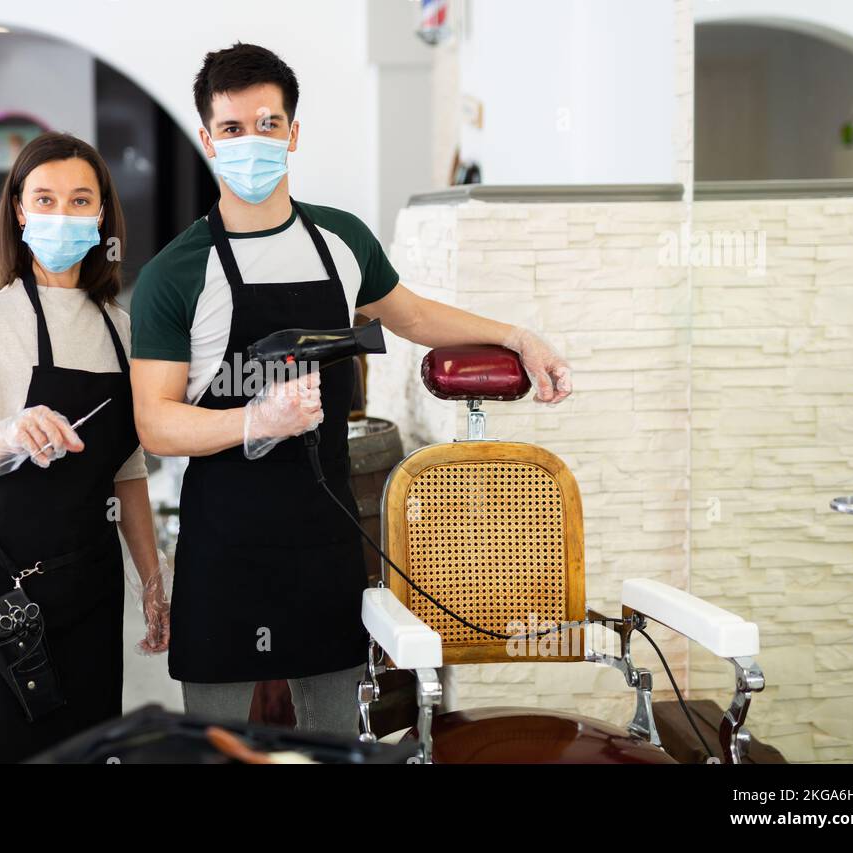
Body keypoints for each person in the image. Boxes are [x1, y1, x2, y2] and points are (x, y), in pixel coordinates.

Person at [128, 43, 572, 736]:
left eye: (268, 124)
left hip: (324, 544)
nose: (253, 142)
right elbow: (154, 423)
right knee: (213, 748)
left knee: (335, 742)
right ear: (209, 139)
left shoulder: (341, 241)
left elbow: (417, 316)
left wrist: (517, 335)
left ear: (294, 134)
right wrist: (256, 420)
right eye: (234, 128)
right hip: (224, 552)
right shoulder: (175, 273)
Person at [0, 132, 170, 763]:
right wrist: (4, 436)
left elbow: (128, 469)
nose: (62, 214)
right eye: (45, 198)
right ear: (20, 209)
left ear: (101, 214)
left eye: (80, 199)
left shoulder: (120, 327)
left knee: (84, 747)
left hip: (89, 583)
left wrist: (151, 578)